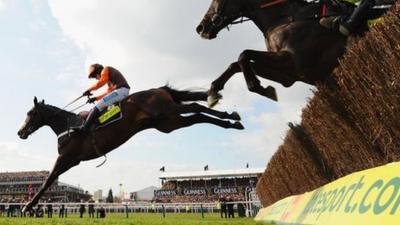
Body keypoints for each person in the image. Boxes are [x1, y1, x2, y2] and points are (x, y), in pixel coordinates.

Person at [77, 63, 130, 132]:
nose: (96, 79)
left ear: (97, 71)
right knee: (100, 104)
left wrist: (89, 90)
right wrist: (95, 98)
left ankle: (84, 128)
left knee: (98, 106)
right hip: (121, 92)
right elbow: (107, 93)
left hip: (121, 91)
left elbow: (101, 82)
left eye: (94, 76)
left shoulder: (105, 69)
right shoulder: (109, 81)